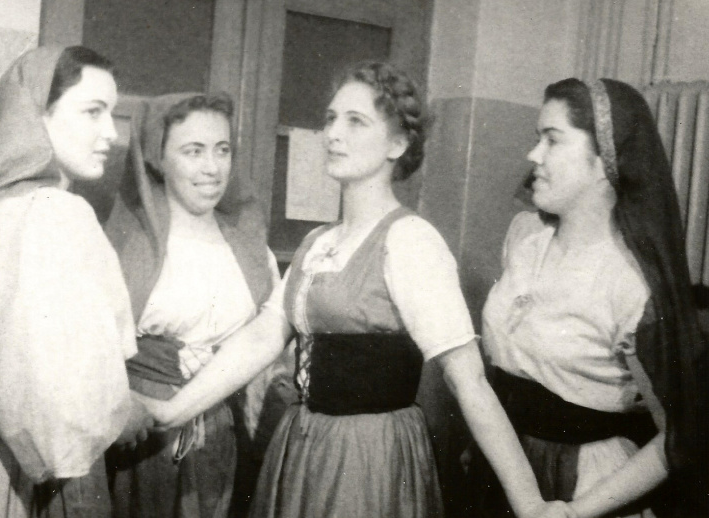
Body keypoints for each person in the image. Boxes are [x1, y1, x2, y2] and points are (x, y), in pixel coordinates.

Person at [135, 62, 572, 518]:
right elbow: (264, 335)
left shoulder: (410, 240)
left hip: (368, 458)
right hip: (303, 445)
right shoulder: (317, 242)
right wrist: (172, 412)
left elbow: (469, 380)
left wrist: (530, 502)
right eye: (330, 119)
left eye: (355, 121)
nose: (333, 134)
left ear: (398, 144)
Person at [0, 46, 138, 517]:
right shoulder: (45, 212)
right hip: (20, 465)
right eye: (93, 112)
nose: (111, 133)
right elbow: (30, 390)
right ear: (37, 116)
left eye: (112, 113)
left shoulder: (9, 207)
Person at [478, 77, 708, 517]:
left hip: (586, 485)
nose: (533, 155)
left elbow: (680, 434)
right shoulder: (525, 243)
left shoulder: (630, 284)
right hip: (508, 465)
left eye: (552, 140)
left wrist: (576, 512)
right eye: (537, 139)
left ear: (605, 161)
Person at [102, 93, 285, 517]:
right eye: (193, 151)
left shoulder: (251, 249)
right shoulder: (124, 246)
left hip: (222, 434)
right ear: (157, 158)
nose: (212, 168)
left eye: (222, 150)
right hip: (141, 433)